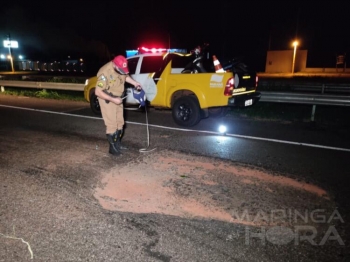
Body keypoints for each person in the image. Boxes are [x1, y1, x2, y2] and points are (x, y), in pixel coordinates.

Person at [95, 55, 141, 156]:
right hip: (107, 98)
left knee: (120, 123)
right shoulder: (104, 72)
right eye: (121, 69)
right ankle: (112, 148)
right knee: (112, 124)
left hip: (118, 98)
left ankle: (117, 144)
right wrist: (113, 99)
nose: (123, 71)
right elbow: (98, 92)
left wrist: (135, 83)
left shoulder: (121, 68)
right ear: (115, 65)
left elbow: (125, 76)